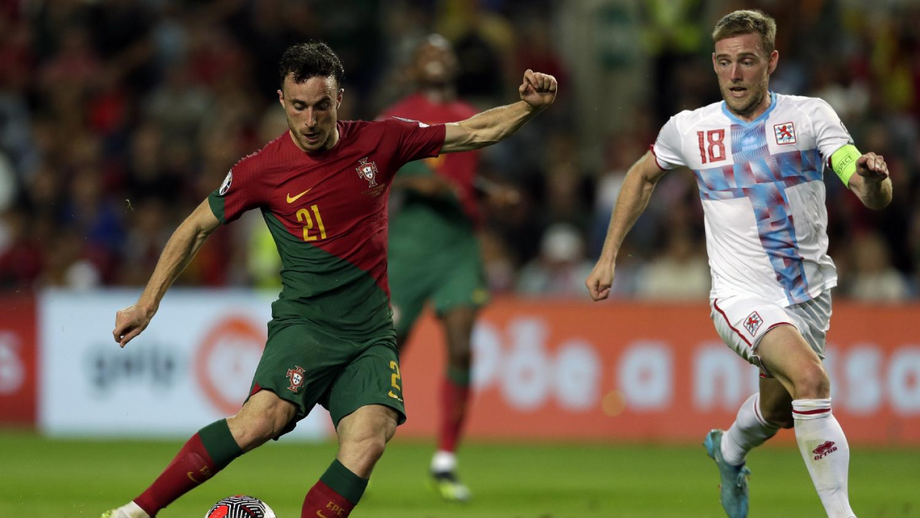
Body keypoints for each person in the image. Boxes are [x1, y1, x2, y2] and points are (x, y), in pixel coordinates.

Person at [102, 41, 556, 518]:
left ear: (339, 100)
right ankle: (136, 512)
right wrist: (146, 304)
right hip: (307, 328)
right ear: (282, 101)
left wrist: (528, 107)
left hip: (370, 335)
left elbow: (473, 130)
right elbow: (195, 226)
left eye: (322, 106)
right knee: (261, 421)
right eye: (299, 107)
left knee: (370, 437)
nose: (311, 120)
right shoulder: (260, 170)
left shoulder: (382, 140)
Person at [586, 10, 890, 518]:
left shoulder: (810, 116)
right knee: (812, 383)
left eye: (747, 61)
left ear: (770, 61)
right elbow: (641, 176)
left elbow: (861, 184)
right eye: (725, 63)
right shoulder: (690, 128)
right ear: (714, 64)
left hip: (809, 298)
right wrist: (608, 254)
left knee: (781, 409)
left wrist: (873, 177)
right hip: (740, 297)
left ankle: (728, 450)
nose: (735, 74)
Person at [377, 34, 518, 502]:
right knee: (385, 353)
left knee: (460, 345)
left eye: (444, 52)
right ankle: (359, 448)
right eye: (427, 52)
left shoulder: (468, 114)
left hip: (459, 244)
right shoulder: (396, 116)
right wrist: (419, 184)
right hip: (411, 245)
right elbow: (379, 170)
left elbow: (457, 177)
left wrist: (487, 191)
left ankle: (445, 461)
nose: (437, 57)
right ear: (412, 67)